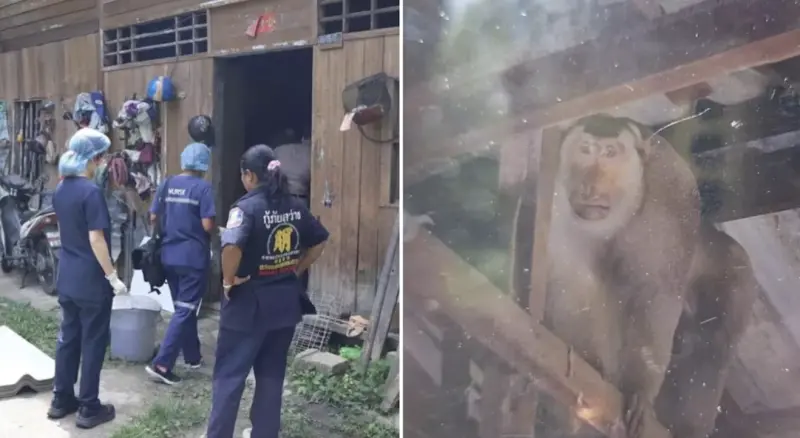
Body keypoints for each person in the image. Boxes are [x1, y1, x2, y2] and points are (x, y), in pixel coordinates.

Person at [206, 144, 329, 438]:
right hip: (284, 305)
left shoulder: (246, 209)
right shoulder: (296, 206)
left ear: (249, 175)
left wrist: (228, 280)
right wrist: (295, 269)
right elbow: (320, 240)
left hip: (247, 305)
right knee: (271, 377)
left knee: (230, 377)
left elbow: (232, 245)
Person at [48, 128, 127, 428]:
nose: (103, 162)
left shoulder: (61, 188)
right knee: (93, 342)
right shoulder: (91, 192)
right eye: (102, 157)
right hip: (92, 282)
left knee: (68, 339)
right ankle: (89, 407)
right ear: (93, 158)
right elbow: (97, 239)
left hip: (67, 276)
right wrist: (112, 276)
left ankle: (61, 399)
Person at [145, 142, 215, 385]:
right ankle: (162, 364)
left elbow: (153, 216)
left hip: (168, 255)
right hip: (193, 258)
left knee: (183, 309)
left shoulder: (167, 183)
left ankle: (192, 357)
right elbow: (207, 225)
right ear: (204, 165)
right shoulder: (203, 188)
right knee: (186, 310)